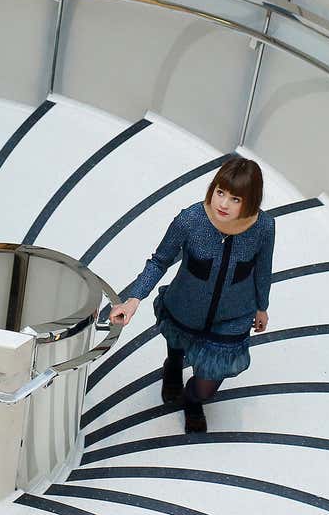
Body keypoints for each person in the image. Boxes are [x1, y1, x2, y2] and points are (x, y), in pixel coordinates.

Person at [107, 156, 275, 433]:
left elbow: (262, 270)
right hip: (184, 307)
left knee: (207, 385)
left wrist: (262, 306)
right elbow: (160, 260)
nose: (223, 204)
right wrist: (134, 298)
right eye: (220, 192)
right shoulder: (191, 219)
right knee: (176, 349)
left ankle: (193, 398)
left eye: (235, 199)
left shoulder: (264, 227)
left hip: (233, 317)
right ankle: (172, 366)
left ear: (251, 200)